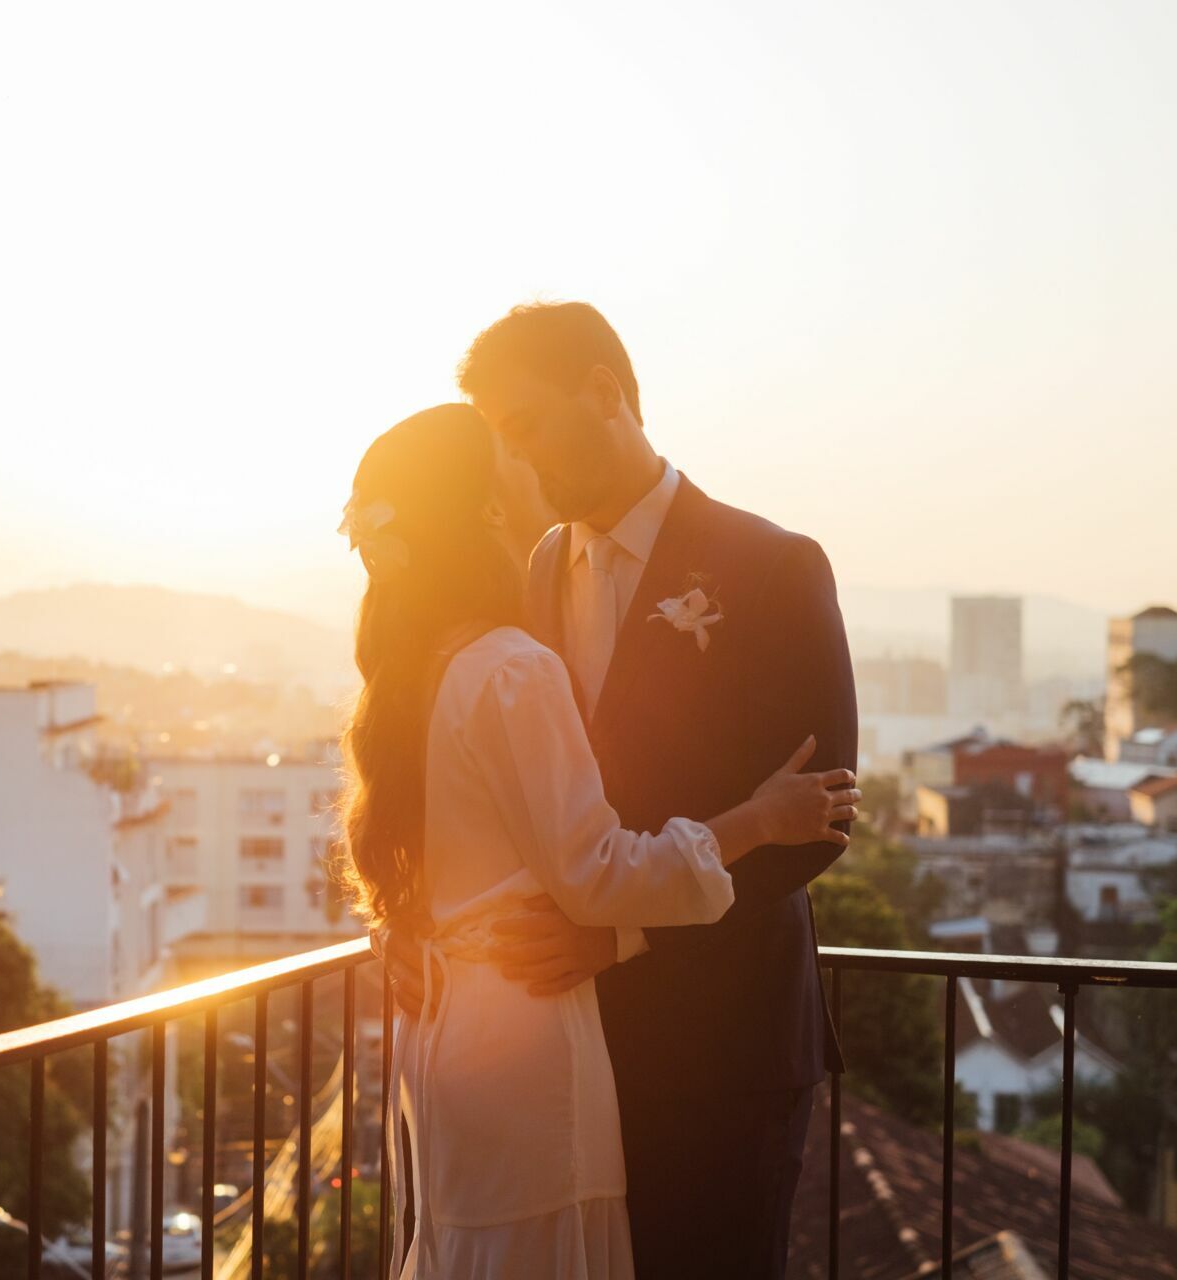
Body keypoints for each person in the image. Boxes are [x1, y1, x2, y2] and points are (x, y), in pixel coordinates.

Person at [385, 302, 860, 1278]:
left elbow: (817, 826)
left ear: (603, 392)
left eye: (524, 426)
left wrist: (615, 935)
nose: (512, 461)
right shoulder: (541, 566)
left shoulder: (772, 565)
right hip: (576, 1050)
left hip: (724, 1044)